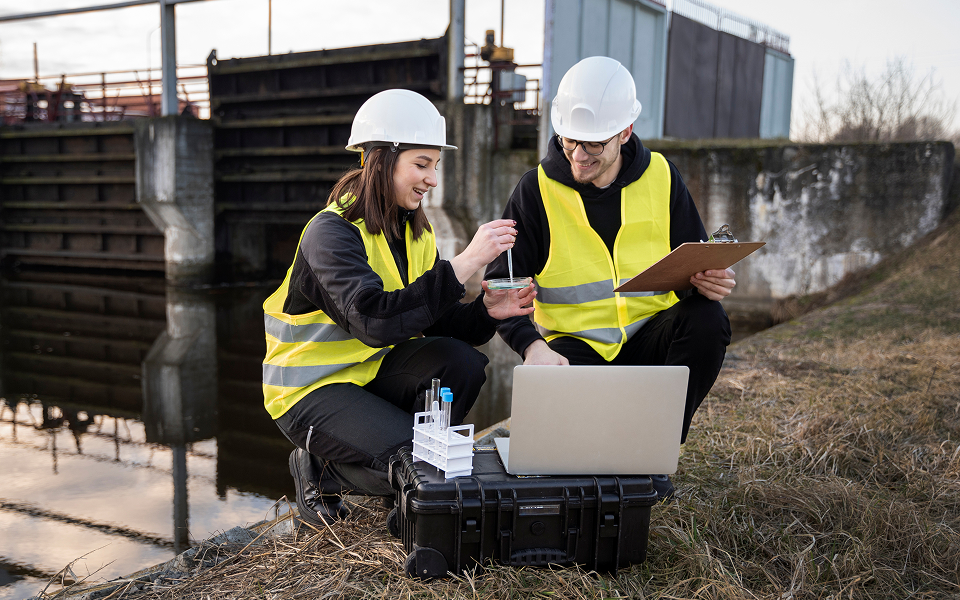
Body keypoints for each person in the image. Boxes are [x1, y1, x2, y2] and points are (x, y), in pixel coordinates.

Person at [263, 89, 536, 526]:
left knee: (462, 362)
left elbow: (437, 321)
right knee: (417, 462)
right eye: (421, 165)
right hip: (308, 391)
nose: (431, 179)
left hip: (369, 374)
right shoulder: (330, 235)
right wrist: (466, 261)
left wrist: (488, 311)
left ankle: (409, 491)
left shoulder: (414, 233)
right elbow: (373, 321)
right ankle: (317, 470)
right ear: (382, 160)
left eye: (435, 166)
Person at [484, 56, 735, 500]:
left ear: (624, 132)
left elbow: (693, 263)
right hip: (574, 350)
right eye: (571, 141)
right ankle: (598, 457)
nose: (580, 155)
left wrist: (708, 280)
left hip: (650, 338)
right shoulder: (535, 190)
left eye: (595, 144)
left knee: (707, 319)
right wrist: (532, 346)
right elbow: (503, 285)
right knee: (564, 455)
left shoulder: (662, 177)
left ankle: (651, 452)